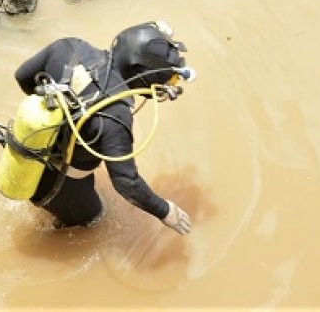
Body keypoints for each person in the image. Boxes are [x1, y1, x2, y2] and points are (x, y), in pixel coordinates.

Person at [11, 21, 194, 232]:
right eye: (167, 79)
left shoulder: (69, 46)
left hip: (28, 149)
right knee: (94, 224)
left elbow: (23, 76)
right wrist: (164, 210)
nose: (165, 86)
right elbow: (126, 182)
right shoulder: (116, 115)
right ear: (142, 73)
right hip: (61, 187)